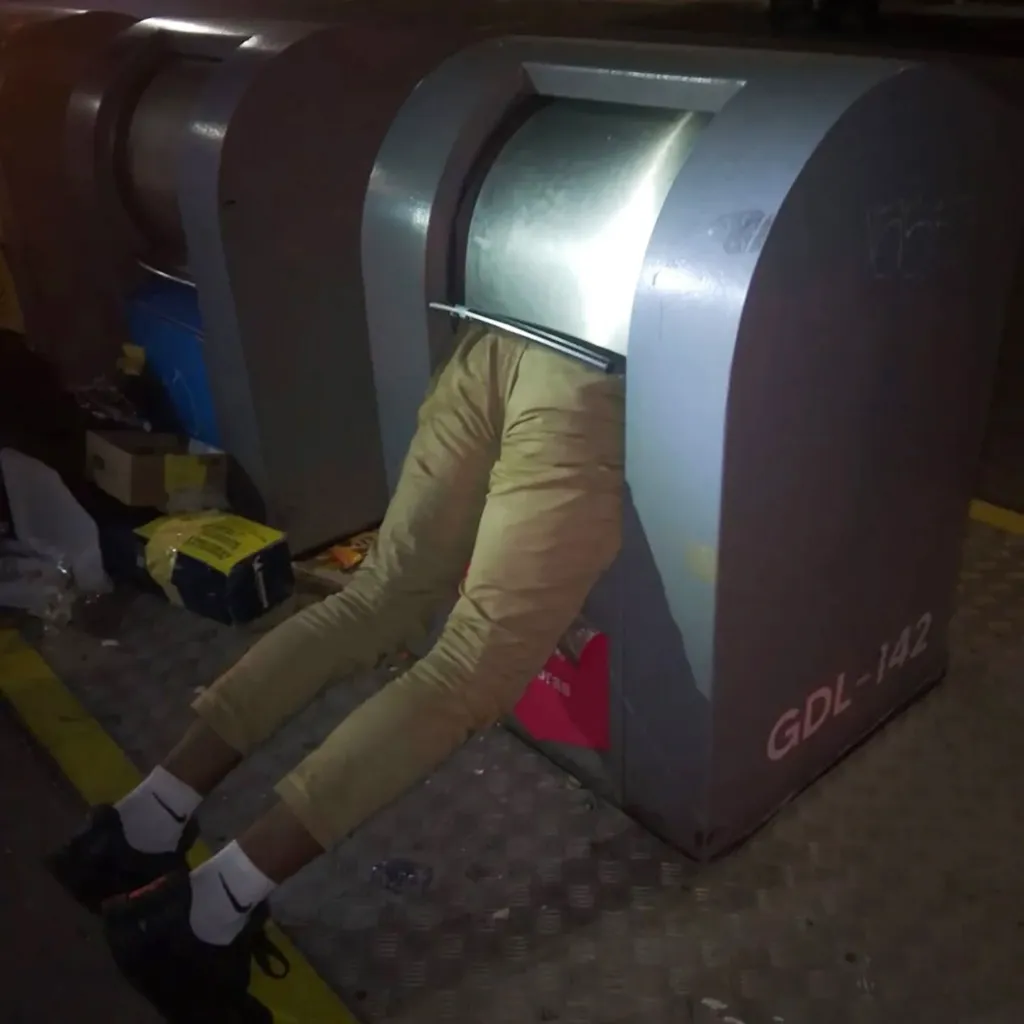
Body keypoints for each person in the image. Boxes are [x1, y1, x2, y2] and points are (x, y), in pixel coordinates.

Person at [47, 323, 625, 1022]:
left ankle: (140, 825)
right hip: (591, 377)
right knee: (469, 666)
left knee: (379, 599)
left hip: (499, 337)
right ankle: (204, 915)